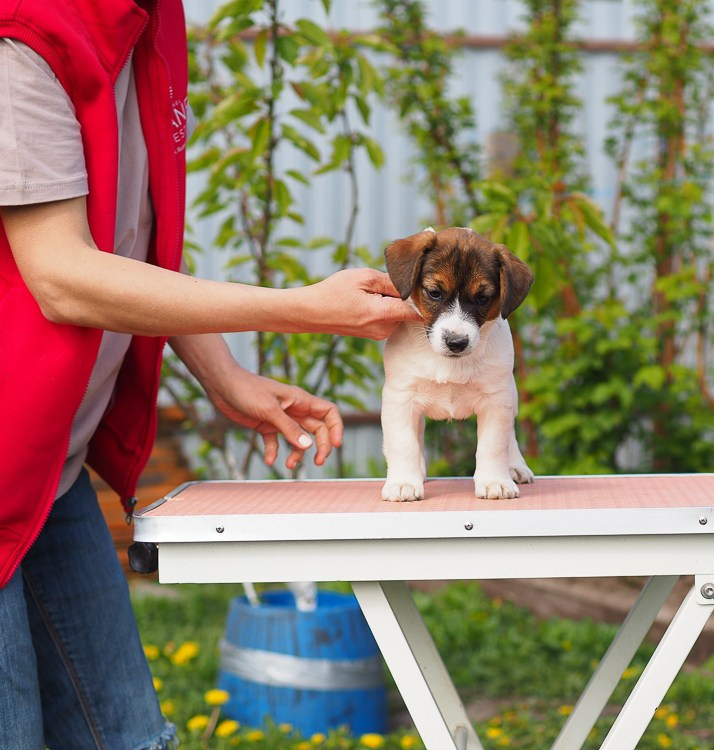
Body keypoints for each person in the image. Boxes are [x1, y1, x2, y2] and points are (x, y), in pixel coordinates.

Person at [0, 0, 421, 747]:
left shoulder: (149, 22)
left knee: (129, 737)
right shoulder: (19, 40)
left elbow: (130, 237)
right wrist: (300, 308)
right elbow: (60, 273)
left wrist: (222, 369)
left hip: (43, 469)